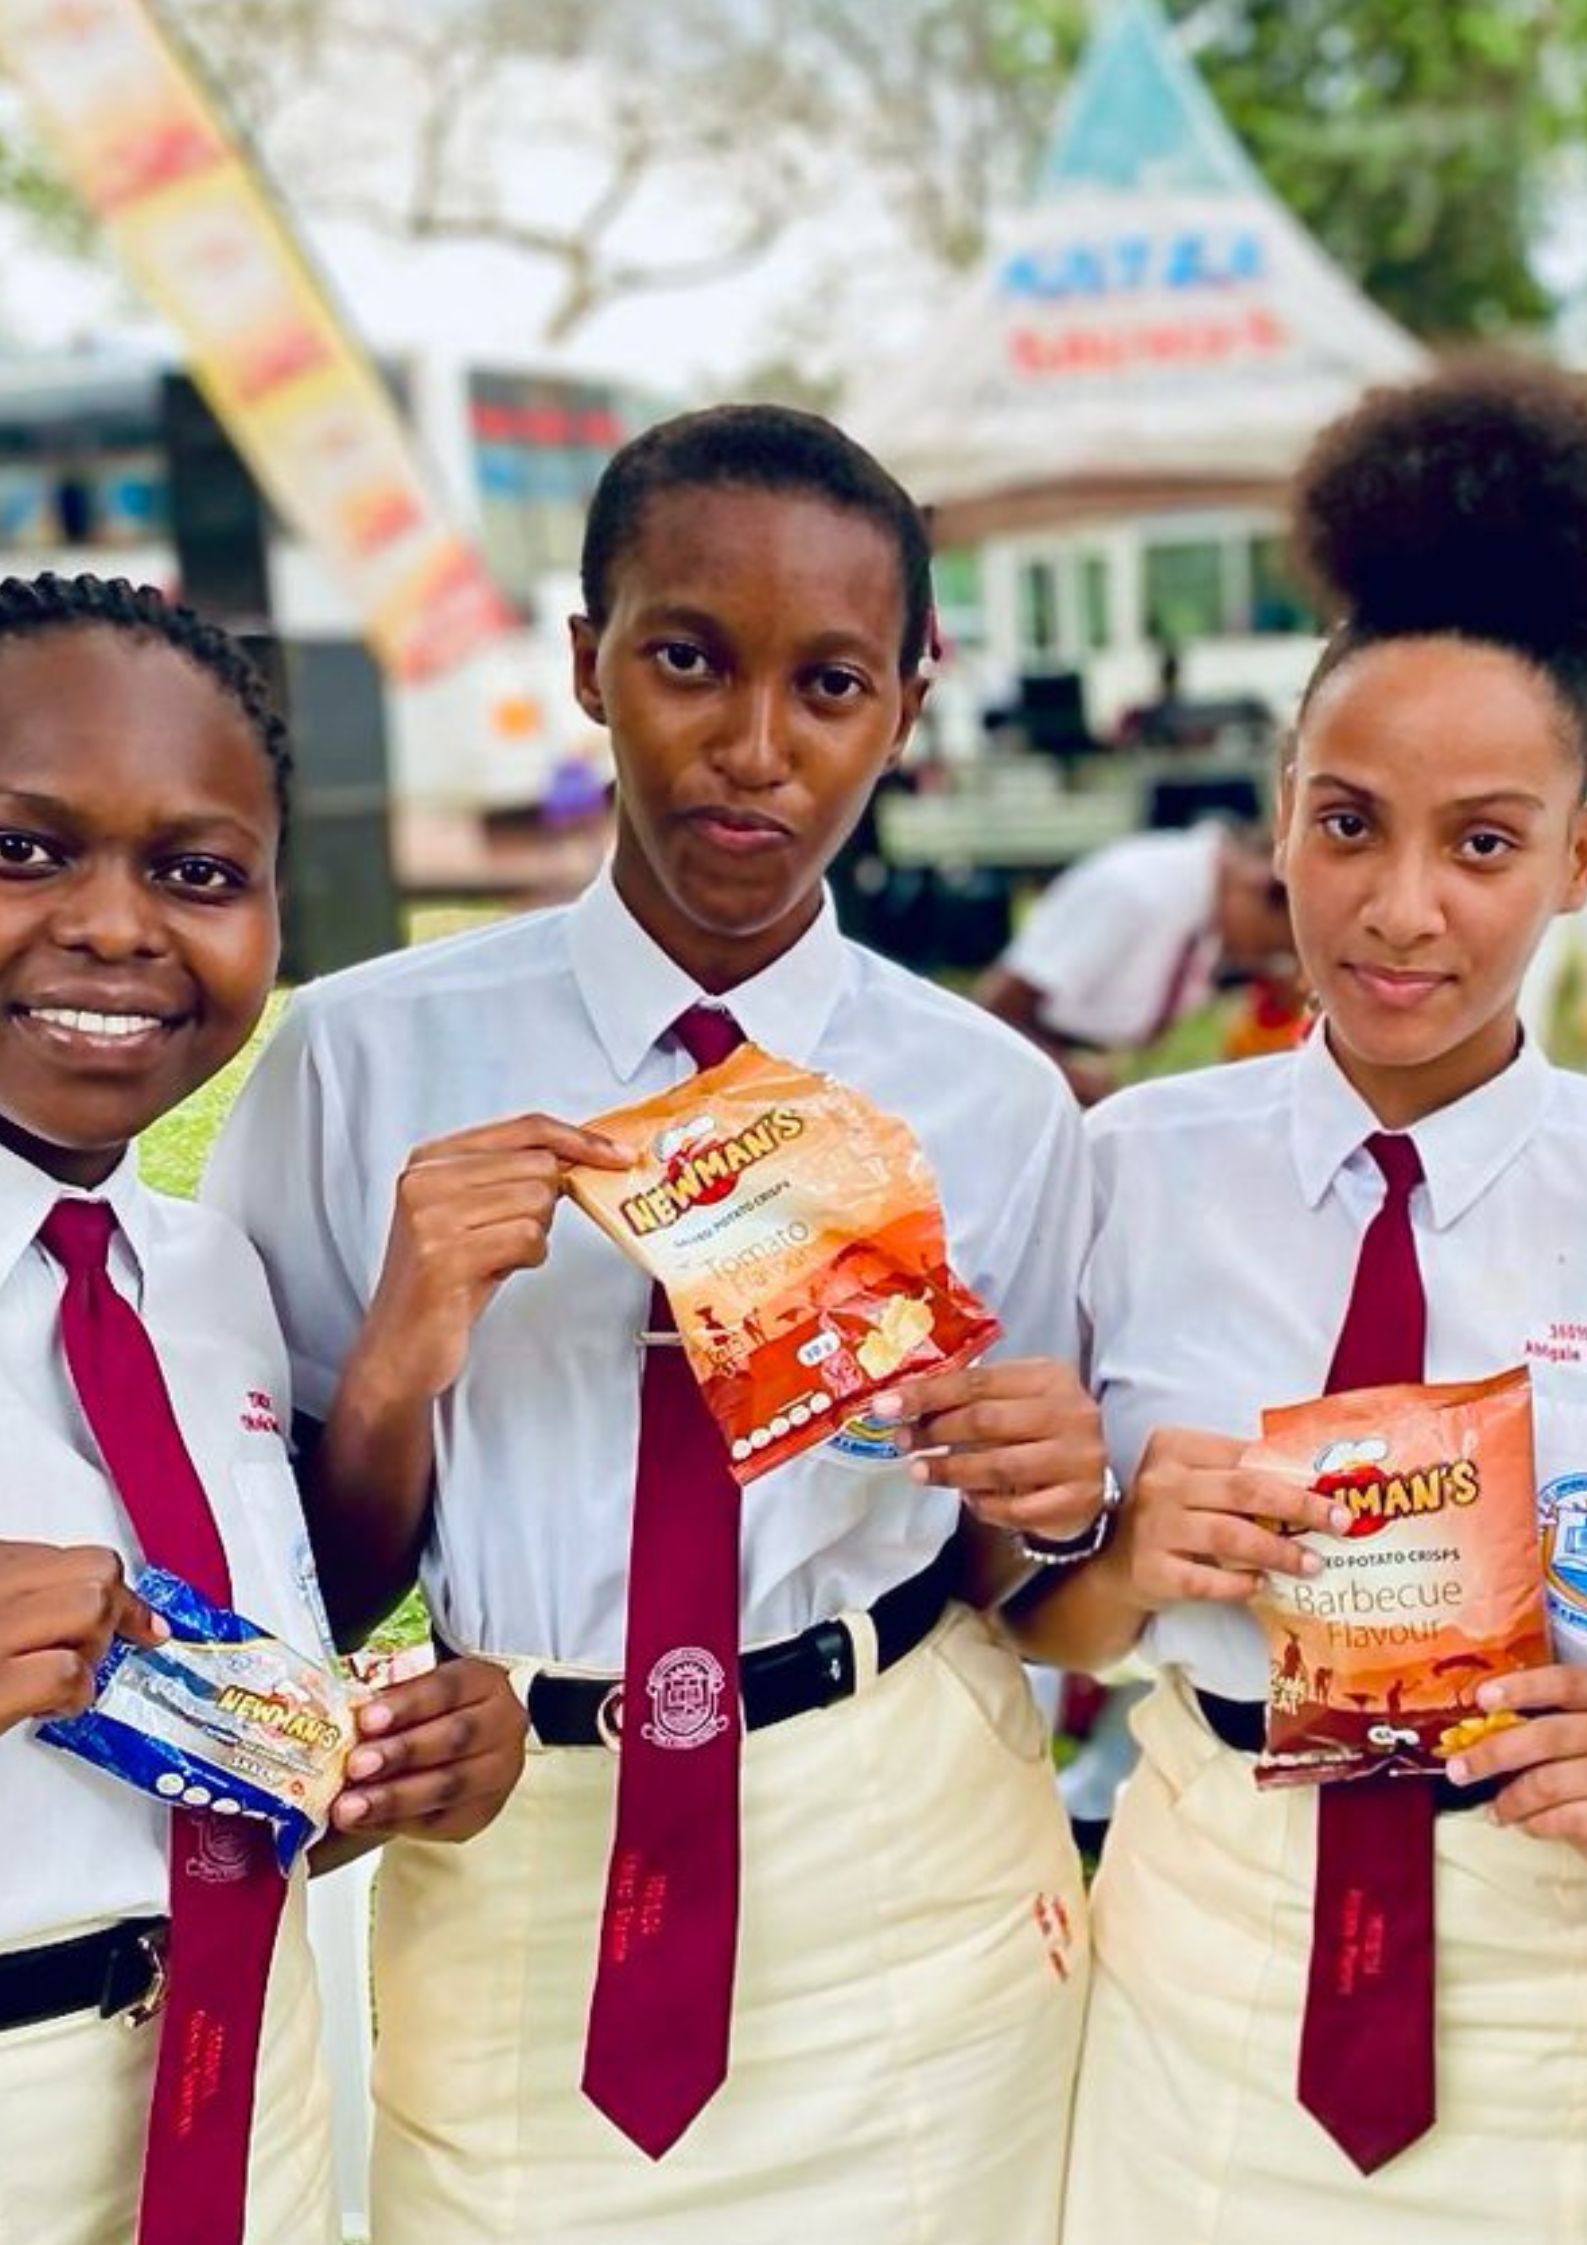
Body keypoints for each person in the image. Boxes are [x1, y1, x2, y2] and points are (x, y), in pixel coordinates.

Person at [203, 404, 1108, 2245]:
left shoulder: (996, 1102)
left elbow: (1028, 1586)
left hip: (899, 1856)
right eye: (687, 657)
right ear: (586, 663)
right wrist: (395, 1361)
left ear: (908, 706)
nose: (754, 749)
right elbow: (283, 1604)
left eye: (832, 684)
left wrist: (1046, 1494)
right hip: (524, 1837)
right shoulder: (362, 1061)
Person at [1014, 359, 1587, 2243]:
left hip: (1548, 1973)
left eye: (1481, 842)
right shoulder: (1124, 1167)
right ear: (1276, 818)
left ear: (1576, 858)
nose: (1398, 908)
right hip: (1206, 1950)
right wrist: (1124, 1559)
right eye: (1346, 823)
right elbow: (1044, 1631)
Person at [0, 572, 528, 2245]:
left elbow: (222, 1692)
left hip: (247, 2076)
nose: (110, 924)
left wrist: (392, 1760)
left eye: (196, 871)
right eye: (23, 848)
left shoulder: (200, 1270)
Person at [975, 819, 1294, 1104]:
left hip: (1090, 1064)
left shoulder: (1204, 897)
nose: (1261, 957)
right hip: (1035, 1067)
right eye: (1272, 947)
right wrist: (1070, 1077)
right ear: (1260, 886)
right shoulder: (1137, 893)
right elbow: (993, 1009)